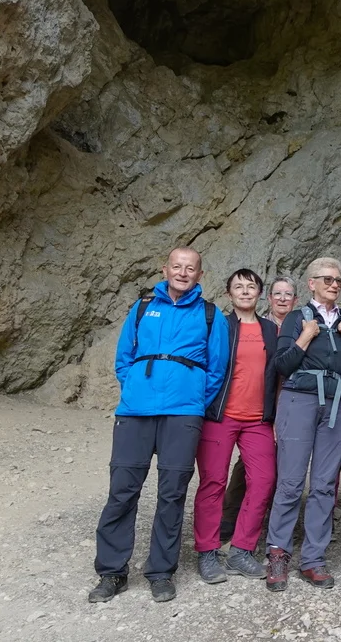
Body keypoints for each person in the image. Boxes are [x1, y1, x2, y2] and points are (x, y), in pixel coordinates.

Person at [89, 247, 229, 604]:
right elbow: (124, 359)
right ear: (165, 269)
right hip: (136, 410)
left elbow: (217, 370)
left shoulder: (211, 315)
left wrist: (193, 396)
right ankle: (111, 572)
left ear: (200, 274)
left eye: (191, 268)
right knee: (122, 490)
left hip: (183, 413)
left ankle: (160, 571)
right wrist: (136, 385)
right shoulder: (140, 309)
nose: (183, 272)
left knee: (172, 493)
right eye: (177, 266)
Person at [265, 258, 341, 591]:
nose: (335, 285)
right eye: (328, 280)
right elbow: (283, 365)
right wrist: (305, 337)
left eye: (338, 280)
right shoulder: (296, 317)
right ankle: (278, 554)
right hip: (300, 400)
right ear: (312, 283)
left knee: (324, 485)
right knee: (291, 482)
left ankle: (313, 559)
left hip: (336, 404)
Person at [192, 269, 279, 584]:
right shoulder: (219, 326)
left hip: (257, 419)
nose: (245, 291)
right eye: (238, 287)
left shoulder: (271, 329)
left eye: (251, 286)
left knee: (264, 481)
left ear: (259, 294)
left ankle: (242, 549)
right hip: (220, 415)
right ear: (229, 294)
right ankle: (207, 551)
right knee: (213, 483)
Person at [220, 276, 296, 541]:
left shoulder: (301, 324)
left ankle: (274, 518)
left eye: (288, 295)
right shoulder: (264, 328)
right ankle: (230, 516)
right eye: (278, 294)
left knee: (285, 463)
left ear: (296, 300)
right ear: (269, 298)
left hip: (290, 399)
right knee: (249, 465)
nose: (283, 299)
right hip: (260, 404)